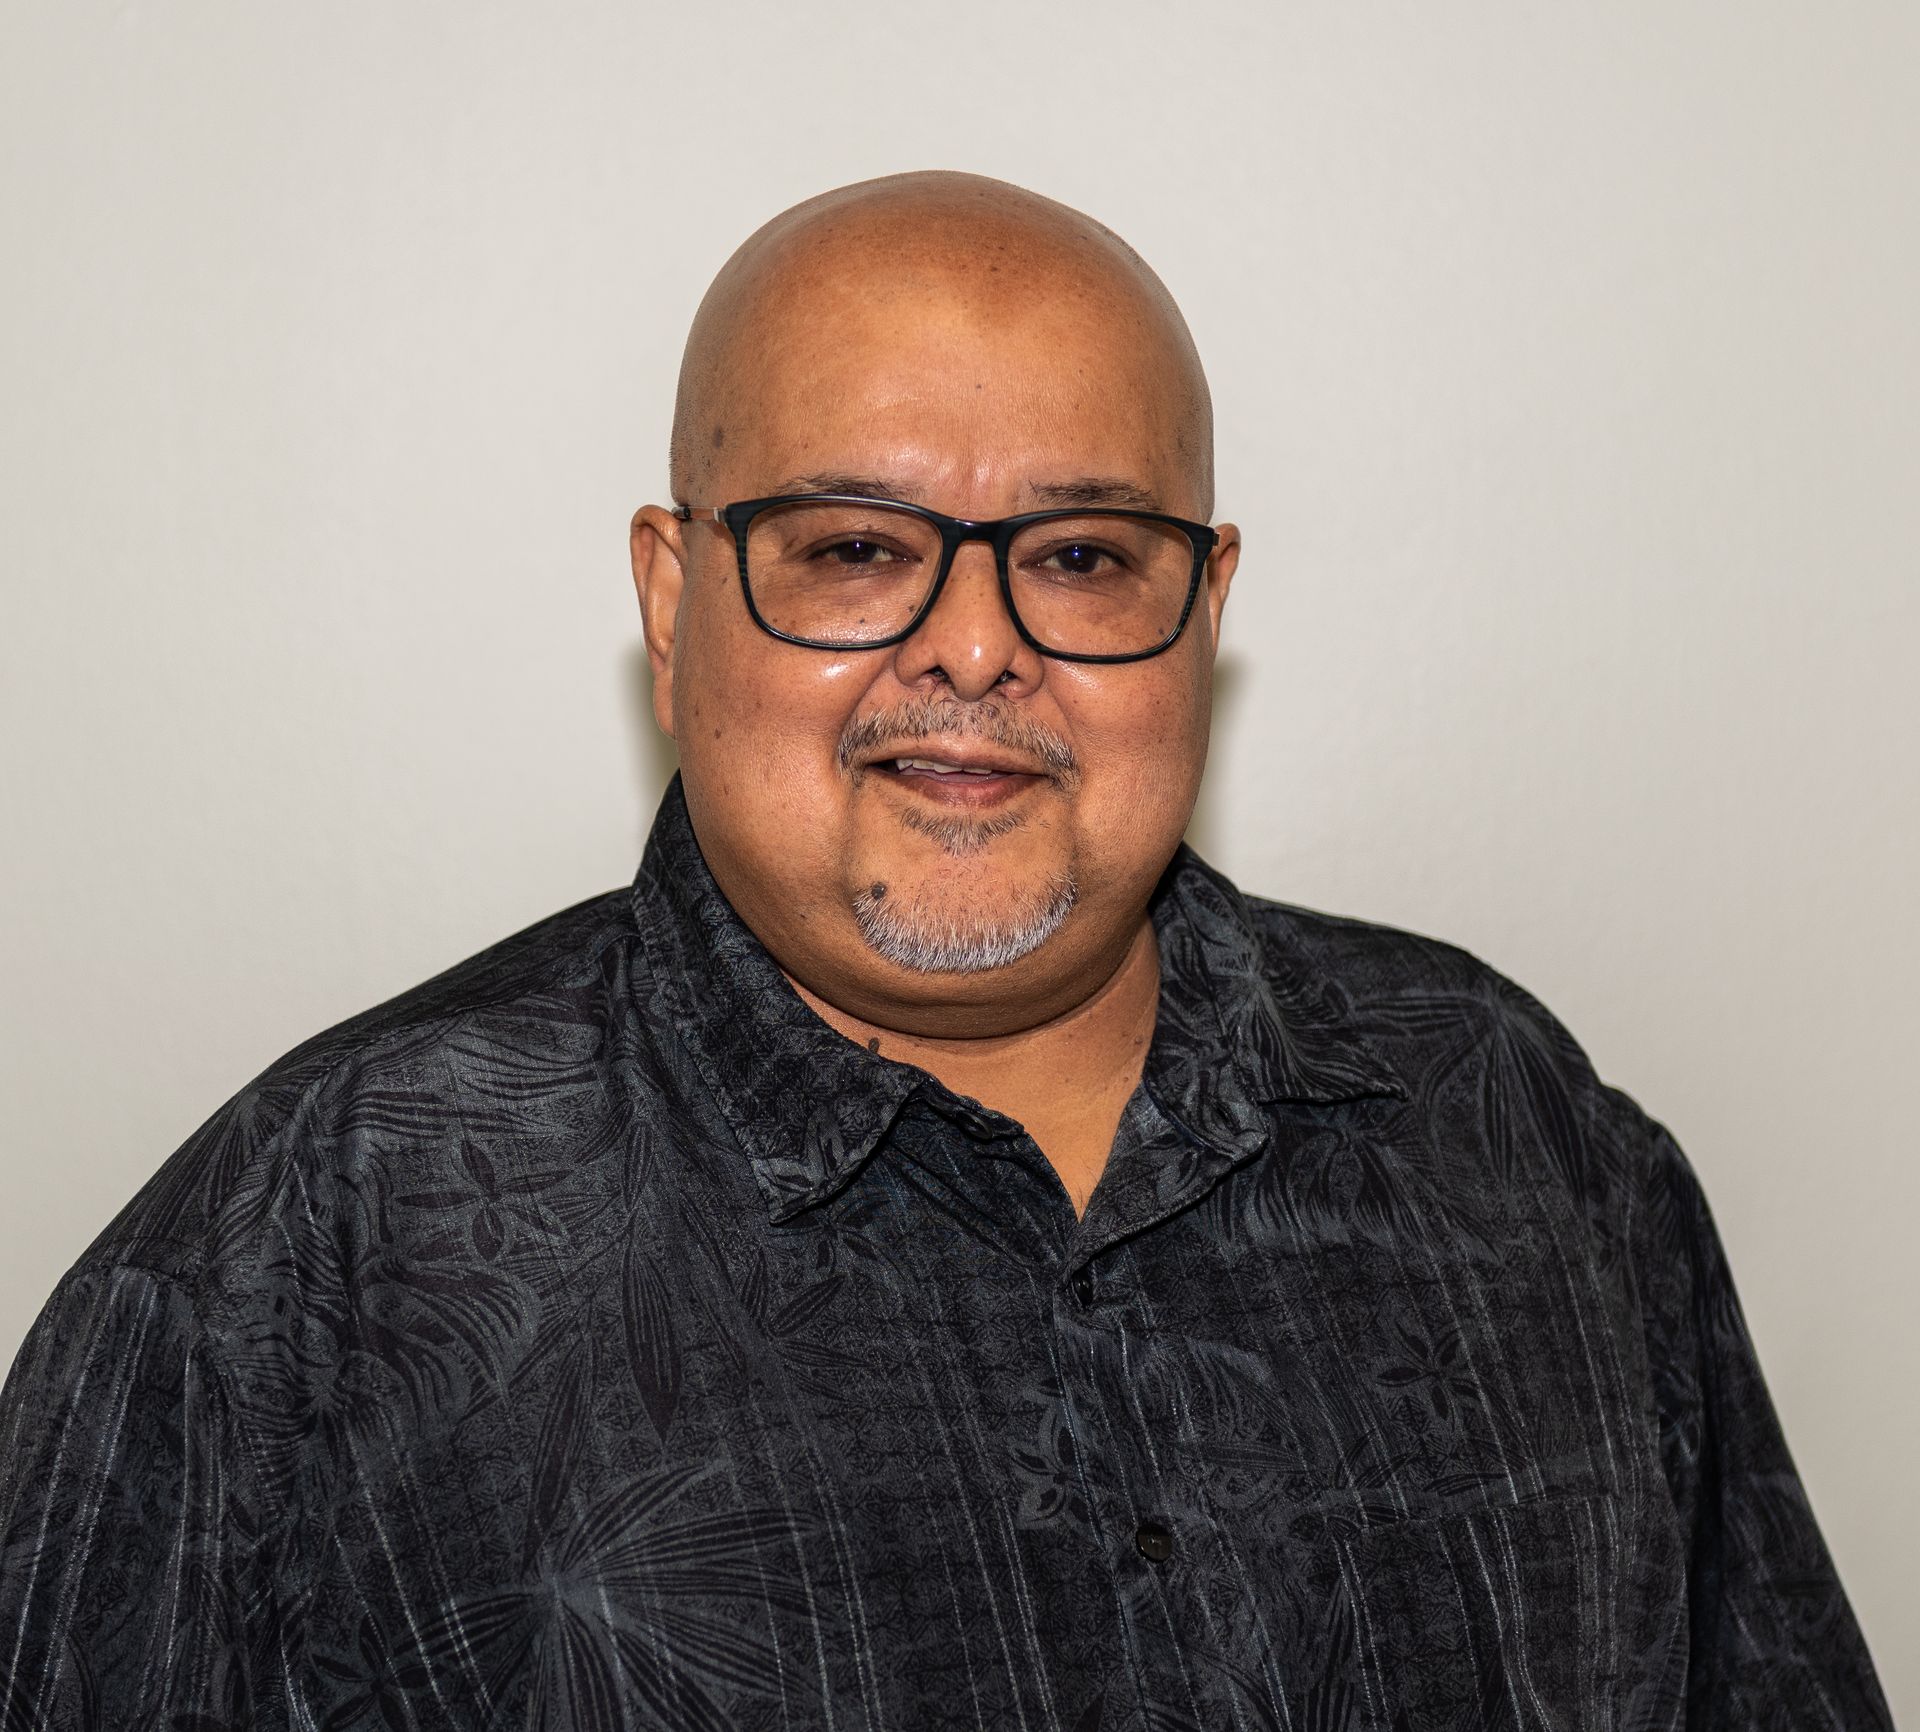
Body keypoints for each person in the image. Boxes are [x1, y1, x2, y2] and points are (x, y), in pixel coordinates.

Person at [0, 171, 1890, 1730]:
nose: (976, 647)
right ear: (674, 606)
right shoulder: (292, 1272)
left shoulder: (1516, 1125)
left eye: (1080, 556)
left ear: (1202, 604)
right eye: (849, 549)